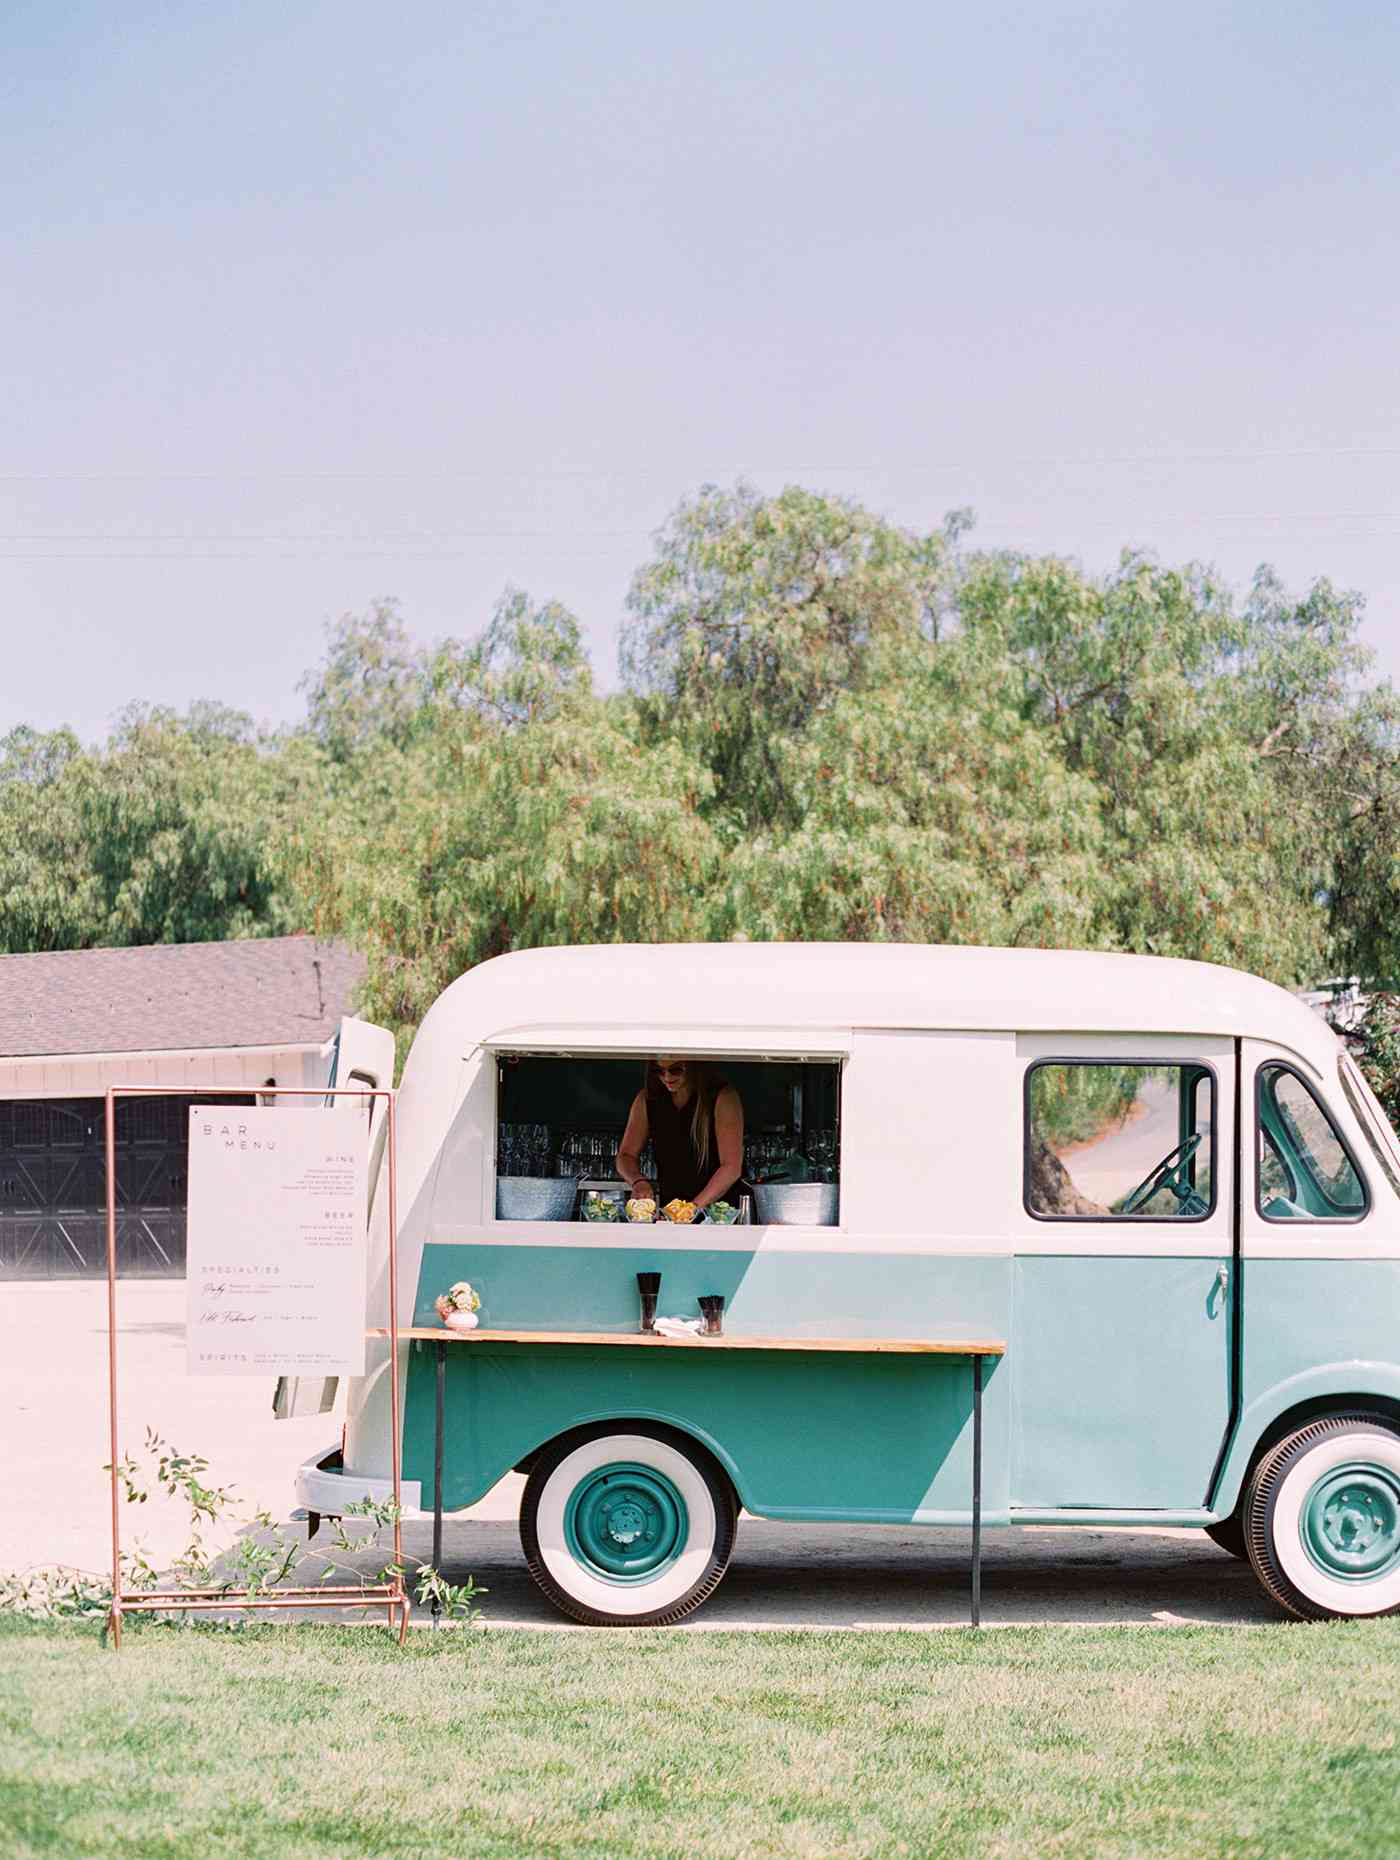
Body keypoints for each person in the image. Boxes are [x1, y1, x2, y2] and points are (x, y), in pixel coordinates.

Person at [616, 1059, 744, 1214]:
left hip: (721, 1213)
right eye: (658, 1070)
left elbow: (731, 1168)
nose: (667, 1076)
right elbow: (625, 1155)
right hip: (672, 1209)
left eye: (676, 1069)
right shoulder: (648, 1099)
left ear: (694, 1066)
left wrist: (691, 1209)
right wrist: (637, 1181)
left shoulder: (722, 1096)